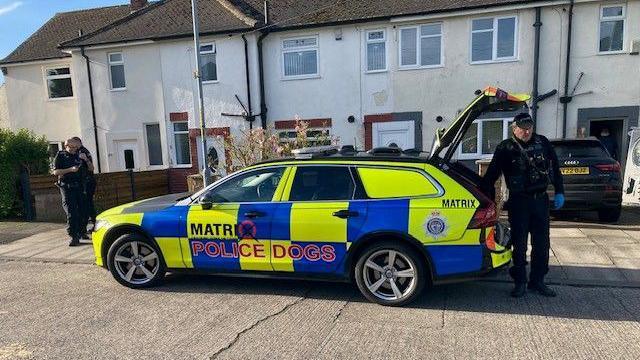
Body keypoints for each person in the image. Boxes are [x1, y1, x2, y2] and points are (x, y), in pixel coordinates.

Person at [481, 113, 565, 298]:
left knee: (542, 244)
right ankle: (520, 282)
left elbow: (555, 168)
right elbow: (492, 175)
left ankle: (538, 281)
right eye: (523, 128)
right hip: (519, 202)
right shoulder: (506, 148)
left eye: (529, 127)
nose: (526, 131)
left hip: (540, 201)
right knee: (519, 245)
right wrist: (484, 198)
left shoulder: (542, 143)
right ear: (514, 128)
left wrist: (560, 191)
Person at [52, 138, 84, 246]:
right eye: (72, 147)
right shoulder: (60, 156)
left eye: (76, 147)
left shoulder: (78, 154)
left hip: (78, 186)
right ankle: (73, 236)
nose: (74, 149)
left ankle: (80, 232)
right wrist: (70, 169)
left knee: (81, 211)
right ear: (66, 146)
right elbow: (55, 172)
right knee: (72, 212)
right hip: (66, 187)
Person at [71, 137, 96, 236]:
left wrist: (85, 159)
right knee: (84, 206)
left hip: (87, 182)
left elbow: (91, 168)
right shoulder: (75, 152)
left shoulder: (84, 152)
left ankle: (90, 227)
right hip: (81, 183)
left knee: (87, 205)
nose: (72, 146)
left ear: (78, 142)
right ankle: (82, 229)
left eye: (73, 144)